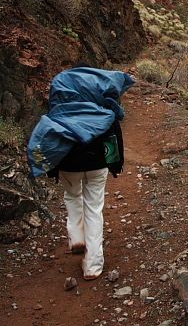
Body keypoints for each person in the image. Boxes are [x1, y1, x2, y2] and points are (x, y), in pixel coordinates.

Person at [28, 64, 135, 280]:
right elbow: (114, 140)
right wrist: (114, 165)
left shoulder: (59, 110)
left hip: (69, 165)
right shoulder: (105, 111)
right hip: (97, 165)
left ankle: (77, 237)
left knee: (72, 195)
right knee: (94, 209)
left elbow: (49, 142)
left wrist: (52, 170)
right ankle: (93, 266)